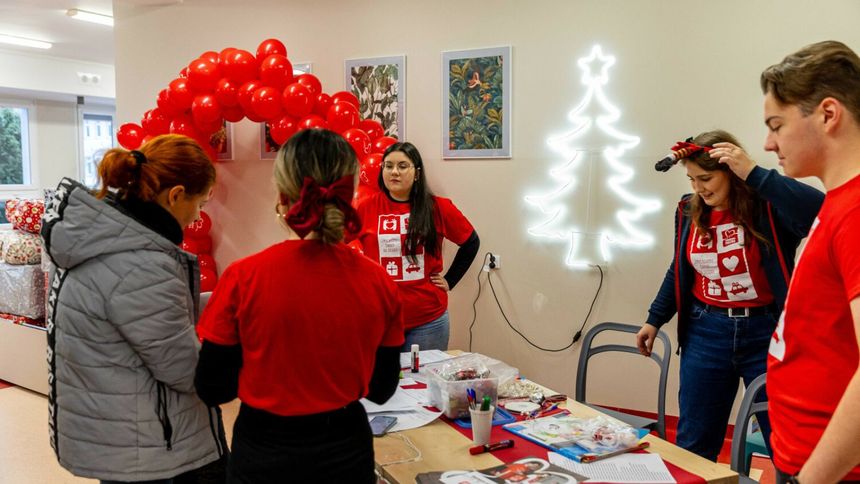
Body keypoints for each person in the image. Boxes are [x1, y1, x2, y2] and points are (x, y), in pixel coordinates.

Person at [194, 128, 404, 483]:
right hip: (345, 452)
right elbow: (382, 389)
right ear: (349, 194)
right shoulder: (379, 281)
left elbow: (213, 387)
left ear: (281, 196)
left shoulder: (242, 277)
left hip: (265, 453)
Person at [40, 134, 226, 484]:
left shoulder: (99, 239)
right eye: (199, 204)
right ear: (175, 196)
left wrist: (226, 299)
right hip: (149, 448)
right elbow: (185, 369)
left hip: (118, 434)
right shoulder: (141, 264)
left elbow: (146, 321)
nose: (197, 216)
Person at [636, 130, 823, 461]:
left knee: (783, 442)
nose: (699, 188)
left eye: (706, 178)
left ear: (732, 173)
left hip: (765, 334)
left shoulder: (767, 208)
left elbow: (819, 210)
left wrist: (755, 173)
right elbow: (679, 270)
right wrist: (655, 319)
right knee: (695, 443)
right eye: (692, 179)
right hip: (706, 332)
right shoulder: (687, 209)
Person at [761, 40, 860, 484]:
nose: (768, 142)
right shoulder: (837, 202)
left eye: (776, 125)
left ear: (827, 113)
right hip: (800, 453)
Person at [354, 141, 480, 351]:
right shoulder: (365, 207)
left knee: (426, 383)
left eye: (403, 166)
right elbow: (335, 245)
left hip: (428, 322)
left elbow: (471, 243)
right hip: (380, 320)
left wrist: (450, 280)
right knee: (382, 383)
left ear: (417, 173)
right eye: (388, 166)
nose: (394, 172)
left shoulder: (438, 207)